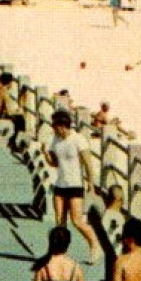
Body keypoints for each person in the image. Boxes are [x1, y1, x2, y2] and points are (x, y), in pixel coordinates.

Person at [41, 111, 101, 262]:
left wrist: (91, 184)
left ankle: (94, 245)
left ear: (62, 126)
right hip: (60, 184)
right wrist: (45, 153)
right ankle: (59, 253)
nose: (53, 129)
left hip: (75, 185)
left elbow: (88, 163)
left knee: (77, 221)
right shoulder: (55, 140)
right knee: (60, 223)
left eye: (55, 126)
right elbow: (55, 163)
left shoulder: (78, 139)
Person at [0, 72, 27, 150]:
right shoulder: (4, 91)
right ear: (10, 82)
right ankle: (15, 143)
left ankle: (13, 141)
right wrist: (20, 111)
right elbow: (9, 111)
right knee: (20, 120)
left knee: (17, 118)